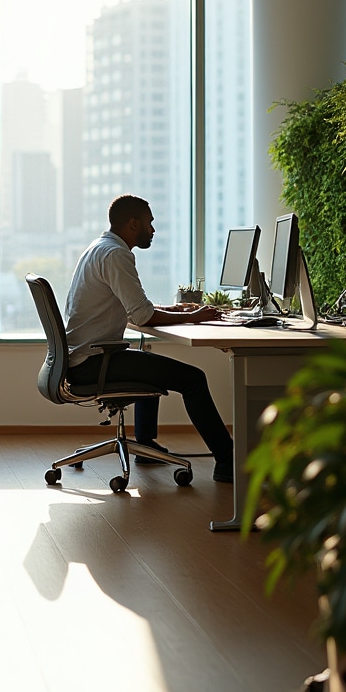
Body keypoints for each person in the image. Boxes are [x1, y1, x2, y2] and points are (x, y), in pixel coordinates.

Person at [63, 194, 234, 482]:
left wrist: (174, 309)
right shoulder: (116, 254)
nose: (153, 230)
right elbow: (141, 316)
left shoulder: (99, 248)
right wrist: (194, 317)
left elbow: (134, 308)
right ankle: (228, 462)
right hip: (94, 362)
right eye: (149, 223)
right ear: (133, 224)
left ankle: (144, 445)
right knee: (193, 380)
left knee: (147, 362)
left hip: (84, 357)